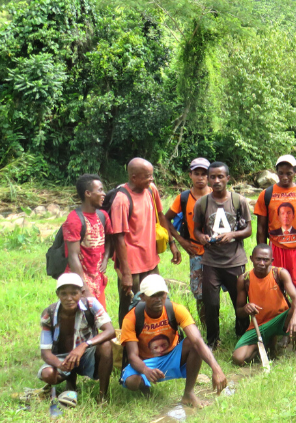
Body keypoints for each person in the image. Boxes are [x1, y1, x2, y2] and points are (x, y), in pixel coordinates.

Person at [119, 275, 227, 408]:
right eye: (154, 295)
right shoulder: (131, 318)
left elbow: (198, 341)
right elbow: (132, 356)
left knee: (193, 344)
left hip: (172, 356)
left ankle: (189, 394)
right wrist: (146, 370)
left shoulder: (176, 309)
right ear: (142, 297)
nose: (159, 299)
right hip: (145, 361)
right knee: (131, 381)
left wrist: (216, 369)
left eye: (162, 294)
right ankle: (144, 387)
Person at [110, 158, 184, 323]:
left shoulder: (151, 190)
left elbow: (161, 216)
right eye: (147, 176)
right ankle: (127, 341)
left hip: (150, 259)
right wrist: (126, 273)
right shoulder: (121, 200)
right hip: (131, 263)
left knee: (155, 299)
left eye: (151, 175)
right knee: (131, 305)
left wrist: (172, 244)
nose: (151, 179)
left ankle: (152, 336)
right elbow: (118, 237)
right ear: (134, 177)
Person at [192, 162, 253, 348]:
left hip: (235, 261)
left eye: (220, 177)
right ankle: (212, 340)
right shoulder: (202, 203)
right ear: (208, 179)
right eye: (213, 177)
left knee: (240, 301)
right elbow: (195, 230)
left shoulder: (239, 201)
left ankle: (242, 335)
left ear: (228, 178)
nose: (216, 181)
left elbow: (248, 229)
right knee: (211, 303)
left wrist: (233, 235)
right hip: (210, 261)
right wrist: (201, 237)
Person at [39, 273, 115, 405]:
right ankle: (70, 380)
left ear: (82, 292)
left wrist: (84, 345)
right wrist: (60, 365)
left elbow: (110, 331)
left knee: (106, 345)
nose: (69, 298)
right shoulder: (49, 314)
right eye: (64, 294)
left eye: (74, 293)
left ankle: (103, 395)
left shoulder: (91, 304)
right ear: (58, 294)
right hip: (63, 357)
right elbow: (45, 352)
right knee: (48, 374)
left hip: (87, 353)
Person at [254, 155, 296, 298]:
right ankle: (281, 318)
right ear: (276, 172)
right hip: (276, 249)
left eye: (288, 173)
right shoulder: (266, 194)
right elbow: (260, 227)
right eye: (281, 173)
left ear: (295, 172)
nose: (284, 177)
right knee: (275, 288)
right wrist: (262, 255)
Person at [233, 245, 296, 366]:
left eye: (266, 260)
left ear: (272, 261)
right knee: (239, 358)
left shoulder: (279, 273)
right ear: (251, 259)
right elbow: (239, 312)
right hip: (259, 325)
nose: (262, 263)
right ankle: (266, 344)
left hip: (280, 319)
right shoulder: (244, 279)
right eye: (258, 259)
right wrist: (246, 308)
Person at [165, 158, 211, 327]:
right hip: (196, 252)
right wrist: (181, 242)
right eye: (196, 174)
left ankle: (216, 328)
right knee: (200, 294)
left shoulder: (216, 193)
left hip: (218, 253)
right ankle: (206, 328)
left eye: (204, 174)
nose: (200, 178)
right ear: (190, 175)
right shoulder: (183, 198)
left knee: (215, 292)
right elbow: (166, 218)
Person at [62, 174, 113, 307]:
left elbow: (109, 238)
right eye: (100, 190)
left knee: (100, 320)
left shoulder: (103, 216)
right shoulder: (74, 220)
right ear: (88, 193)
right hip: (78, 282)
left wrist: (106, 258)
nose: (104, 194)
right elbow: (73, 256)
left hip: (97, 280)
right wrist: (83, 287)